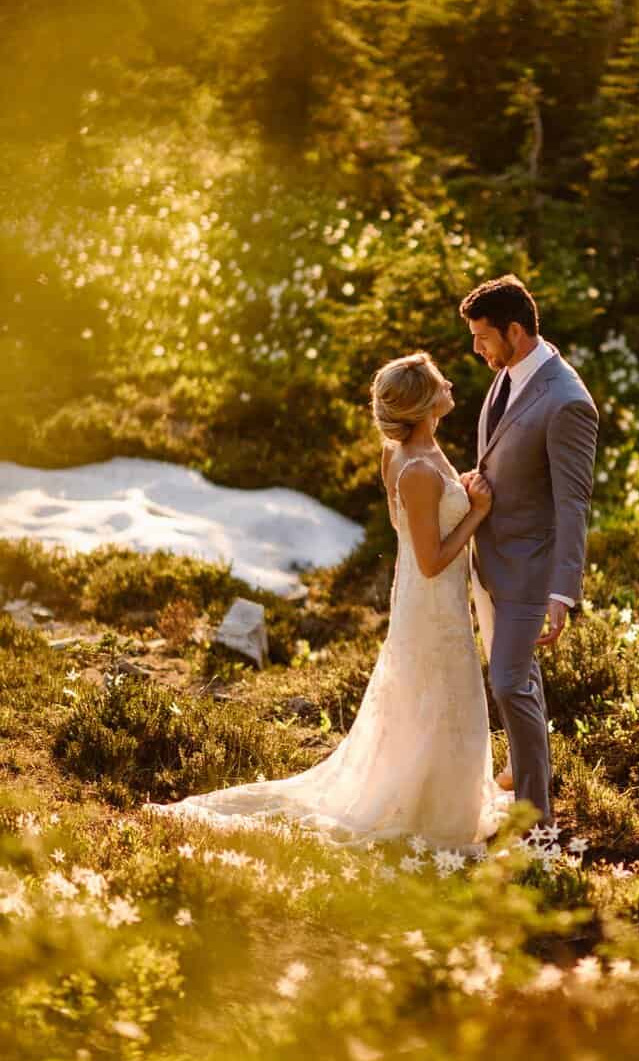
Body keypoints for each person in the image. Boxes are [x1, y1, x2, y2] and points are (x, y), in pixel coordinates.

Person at [145, 352, 511, 850]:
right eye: (438, 381)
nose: (449, 382)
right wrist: (477, 512)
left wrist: (459, 494)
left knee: (432, 696)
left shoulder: (409, 453)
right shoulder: (418, 468)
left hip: (423, 599)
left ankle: (435, 797)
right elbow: (431, 559)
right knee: (444, 693)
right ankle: (434, 813)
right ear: (424, 404)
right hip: (431, 600)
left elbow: (402, 526)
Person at [459, 275, 599, 827]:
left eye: (483, 337)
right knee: (520, 679)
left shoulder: (568, 403)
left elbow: (574, 503)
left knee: (510, 682)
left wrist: (562, 591)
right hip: (491, 562)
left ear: (515, 331)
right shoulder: (510, 373)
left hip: (531, 571)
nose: (477, 349)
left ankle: (536, 820)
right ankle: (523, 773)